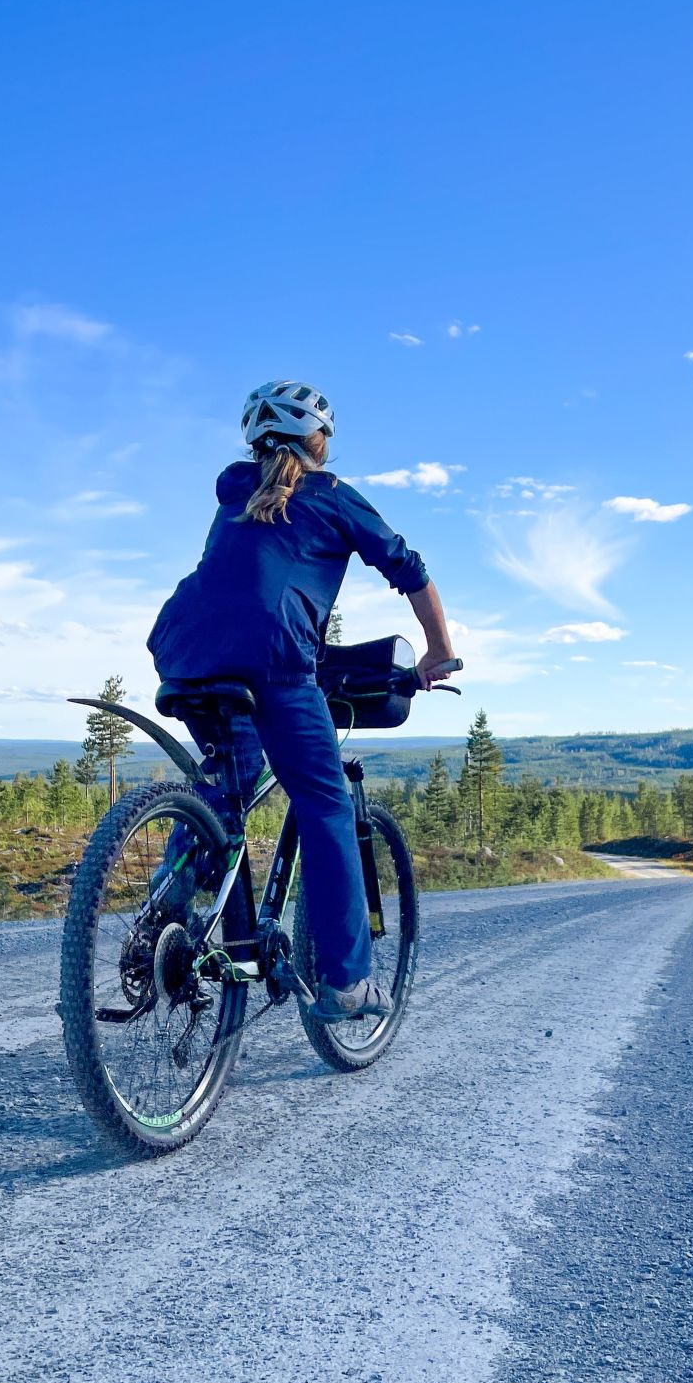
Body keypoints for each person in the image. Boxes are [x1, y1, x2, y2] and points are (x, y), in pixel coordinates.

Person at [147, 380, 459, 1023]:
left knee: (227, 784)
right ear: (319, 440)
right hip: (276, 665)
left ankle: (173, 899)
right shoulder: (332, 495)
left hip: (187, 652)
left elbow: (250, 580)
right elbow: (409, 567)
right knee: (326, 805)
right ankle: (347, 981)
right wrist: (437, 651)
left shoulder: (234, 490)